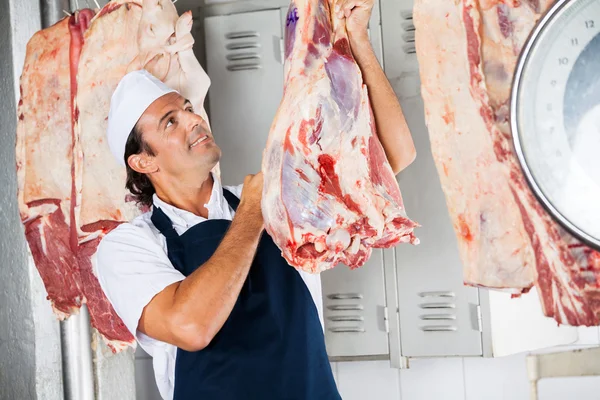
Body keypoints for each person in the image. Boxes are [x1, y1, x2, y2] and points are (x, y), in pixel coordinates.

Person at [95, 1, 416, 399]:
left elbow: (395, 155)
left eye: (188, 108)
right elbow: (190, 326)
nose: (194, 119)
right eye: (170, 122)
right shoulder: (130, 245)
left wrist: (359, 41)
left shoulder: (276, 197)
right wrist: (251, 210)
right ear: (143, 161)